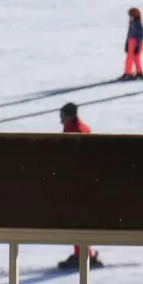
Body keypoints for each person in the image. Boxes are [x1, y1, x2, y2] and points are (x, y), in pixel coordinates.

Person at [57, 104, 102, 270]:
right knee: (77, 219)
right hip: (77, 181)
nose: (60, 118)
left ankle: (83, 254)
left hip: (79, 183)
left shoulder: (77, 130)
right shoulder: (73, 127)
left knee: (77, 219)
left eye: (62, 115)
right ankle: (83, 252)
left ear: (69, 115)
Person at [122, 7, 143, 80]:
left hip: (135, 42)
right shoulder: (132, 23)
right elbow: (129, 33)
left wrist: (138, 45)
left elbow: (141, 34)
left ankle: (128, 73)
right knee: (133, 57)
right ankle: (137, 72)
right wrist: (126, 44)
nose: (130, 17)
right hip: (131, 42)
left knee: (132, 58)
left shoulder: (138, 25)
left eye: (131, 16)